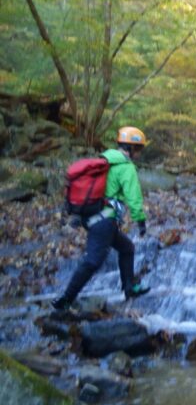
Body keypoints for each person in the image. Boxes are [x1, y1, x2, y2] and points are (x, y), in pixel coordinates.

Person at [51, 126, 151, 310]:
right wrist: (140, 220)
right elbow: (134, 196)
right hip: (104, 221)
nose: (139, 154)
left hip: (94, 218)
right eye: (139, 149)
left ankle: (129, 288)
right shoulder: (126, 167)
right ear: (131, 148)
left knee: (127, 247)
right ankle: (66, 298)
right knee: (93, 261)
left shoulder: (104, 160)